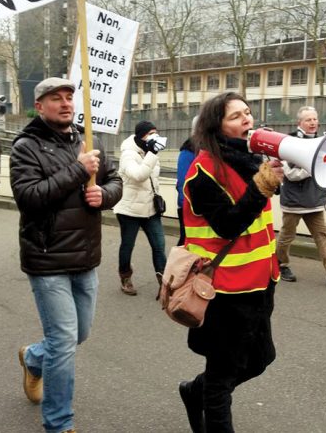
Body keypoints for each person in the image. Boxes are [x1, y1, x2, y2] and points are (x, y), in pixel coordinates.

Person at [10, 77, 122, 433]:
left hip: (86, 256)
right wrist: (78, 170)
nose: (65, 103)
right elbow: (28, 197)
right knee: (63, 342)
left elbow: (116, 179)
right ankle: (58, 424)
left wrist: (104, 195)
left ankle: (32, 358)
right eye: (55, 98)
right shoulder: (26, 146)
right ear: (39, 106)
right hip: (47, 259)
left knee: (78, 335)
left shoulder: (90, 141)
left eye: (69, 97)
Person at [178, 92, 283, 432]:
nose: (247, 120)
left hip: (259, 283)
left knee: (258, 360)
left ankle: (196, 391)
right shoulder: (202, 173)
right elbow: (227, 224)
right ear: (216, 126)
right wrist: (263, 186)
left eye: (248, 113)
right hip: (222, 291)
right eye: (236, 116)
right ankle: (207, 397)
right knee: (223, 377)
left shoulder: (250, 161)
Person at [275, 106, 326, 286]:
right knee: (287, 235)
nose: (313, 123)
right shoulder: (289, 142)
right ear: (299, 123)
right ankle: (280, 264)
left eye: (314, 119)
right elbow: (290, 174)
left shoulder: (324, 141)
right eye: (308, 120)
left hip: (314, 200)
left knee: (322, 235)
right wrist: (315, 167)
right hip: (294, 202)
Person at [112, 120, 167, 295]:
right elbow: (139, 175)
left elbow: (153, 179)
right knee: (127, 246)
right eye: (150, 133)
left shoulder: (151, 152)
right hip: (129, 210)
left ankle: (164, 283)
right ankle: (125, 277)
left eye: (156, 132)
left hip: (150, 209)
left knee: (159, 246)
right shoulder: (128, 154)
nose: (154, 136)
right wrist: (152, 153)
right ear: (141, 136)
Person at [176, 116, 197, 246]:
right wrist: (187, 206)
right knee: (185, 242)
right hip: (188, 206)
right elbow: (184, 181)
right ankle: (176, 266)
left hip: (202, 208)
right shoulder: (188, 151)